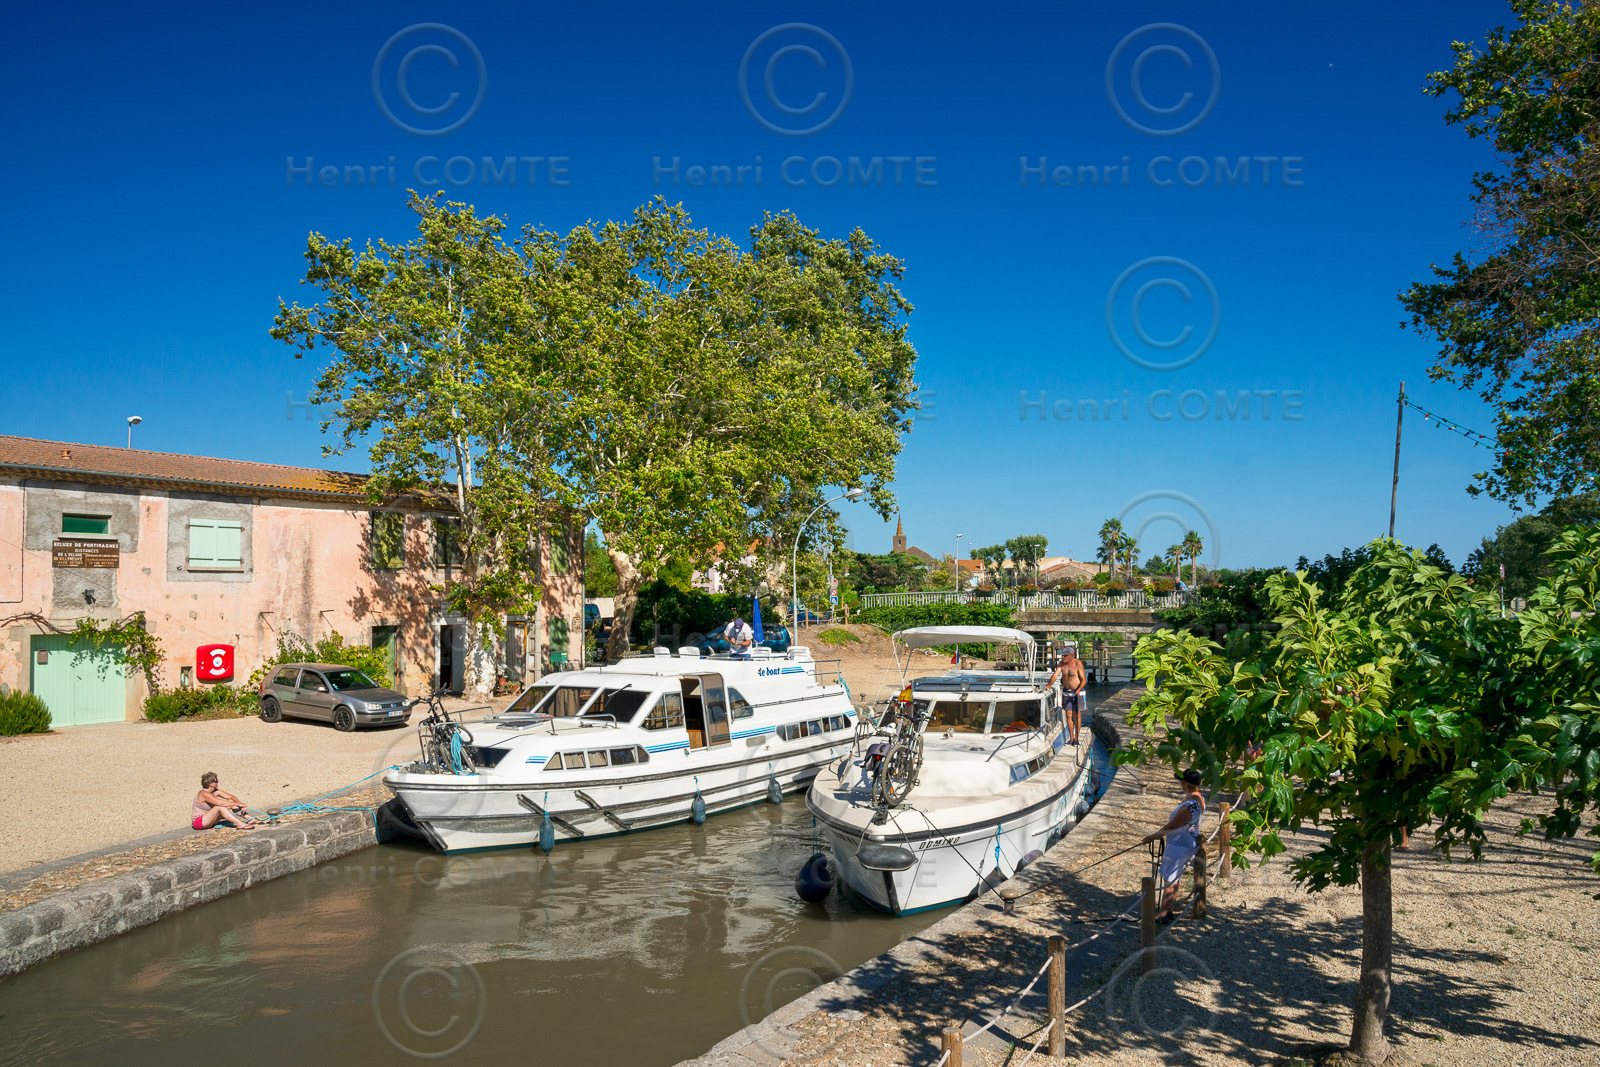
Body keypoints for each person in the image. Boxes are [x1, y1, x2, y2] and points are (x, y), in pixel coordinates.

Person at [1141, 769, 1206, 922]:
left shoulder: (1190, 805)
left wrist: (1151, 837)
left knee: (1169, 878)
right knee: (1174, 877)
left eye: (1181, 781)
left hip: (1178, 845)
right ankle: (1168, 910)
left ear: (1185, 784)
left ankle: (1162, 914)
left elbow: (1173, 825)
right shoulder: (1199, 799)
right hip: (1186, 842)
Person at [1045, 643, 1086, 744]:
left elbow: (1083, 680)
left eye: (1065, 655)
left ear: (1072, 655)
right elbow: (1055, 675)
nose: (1063, 657)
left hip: (1078, 692)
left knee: (1077, 714)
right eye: (1062, 655)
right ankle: (1071, 738)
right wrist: (1049, 684)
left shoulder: (1078, 664)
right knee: (1068, 714)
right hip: (1067, 692)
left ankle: (1077, 738)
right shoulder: (1061, 664)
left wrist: (1078, 689)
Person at [192, 772, 260, 830]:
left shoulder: (215, 791)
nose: (218, 782)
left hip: (211, 820)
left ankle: (250, 819)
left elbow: (231, 797)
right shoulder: (203, 793)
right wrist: (239, 804)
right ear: (211, 784)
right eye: (216, 781)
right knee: (219, 807)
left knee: (230, 802)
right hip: (199, 822)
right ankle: (239, 824)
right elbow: (220, 803)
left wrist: (239, 804)